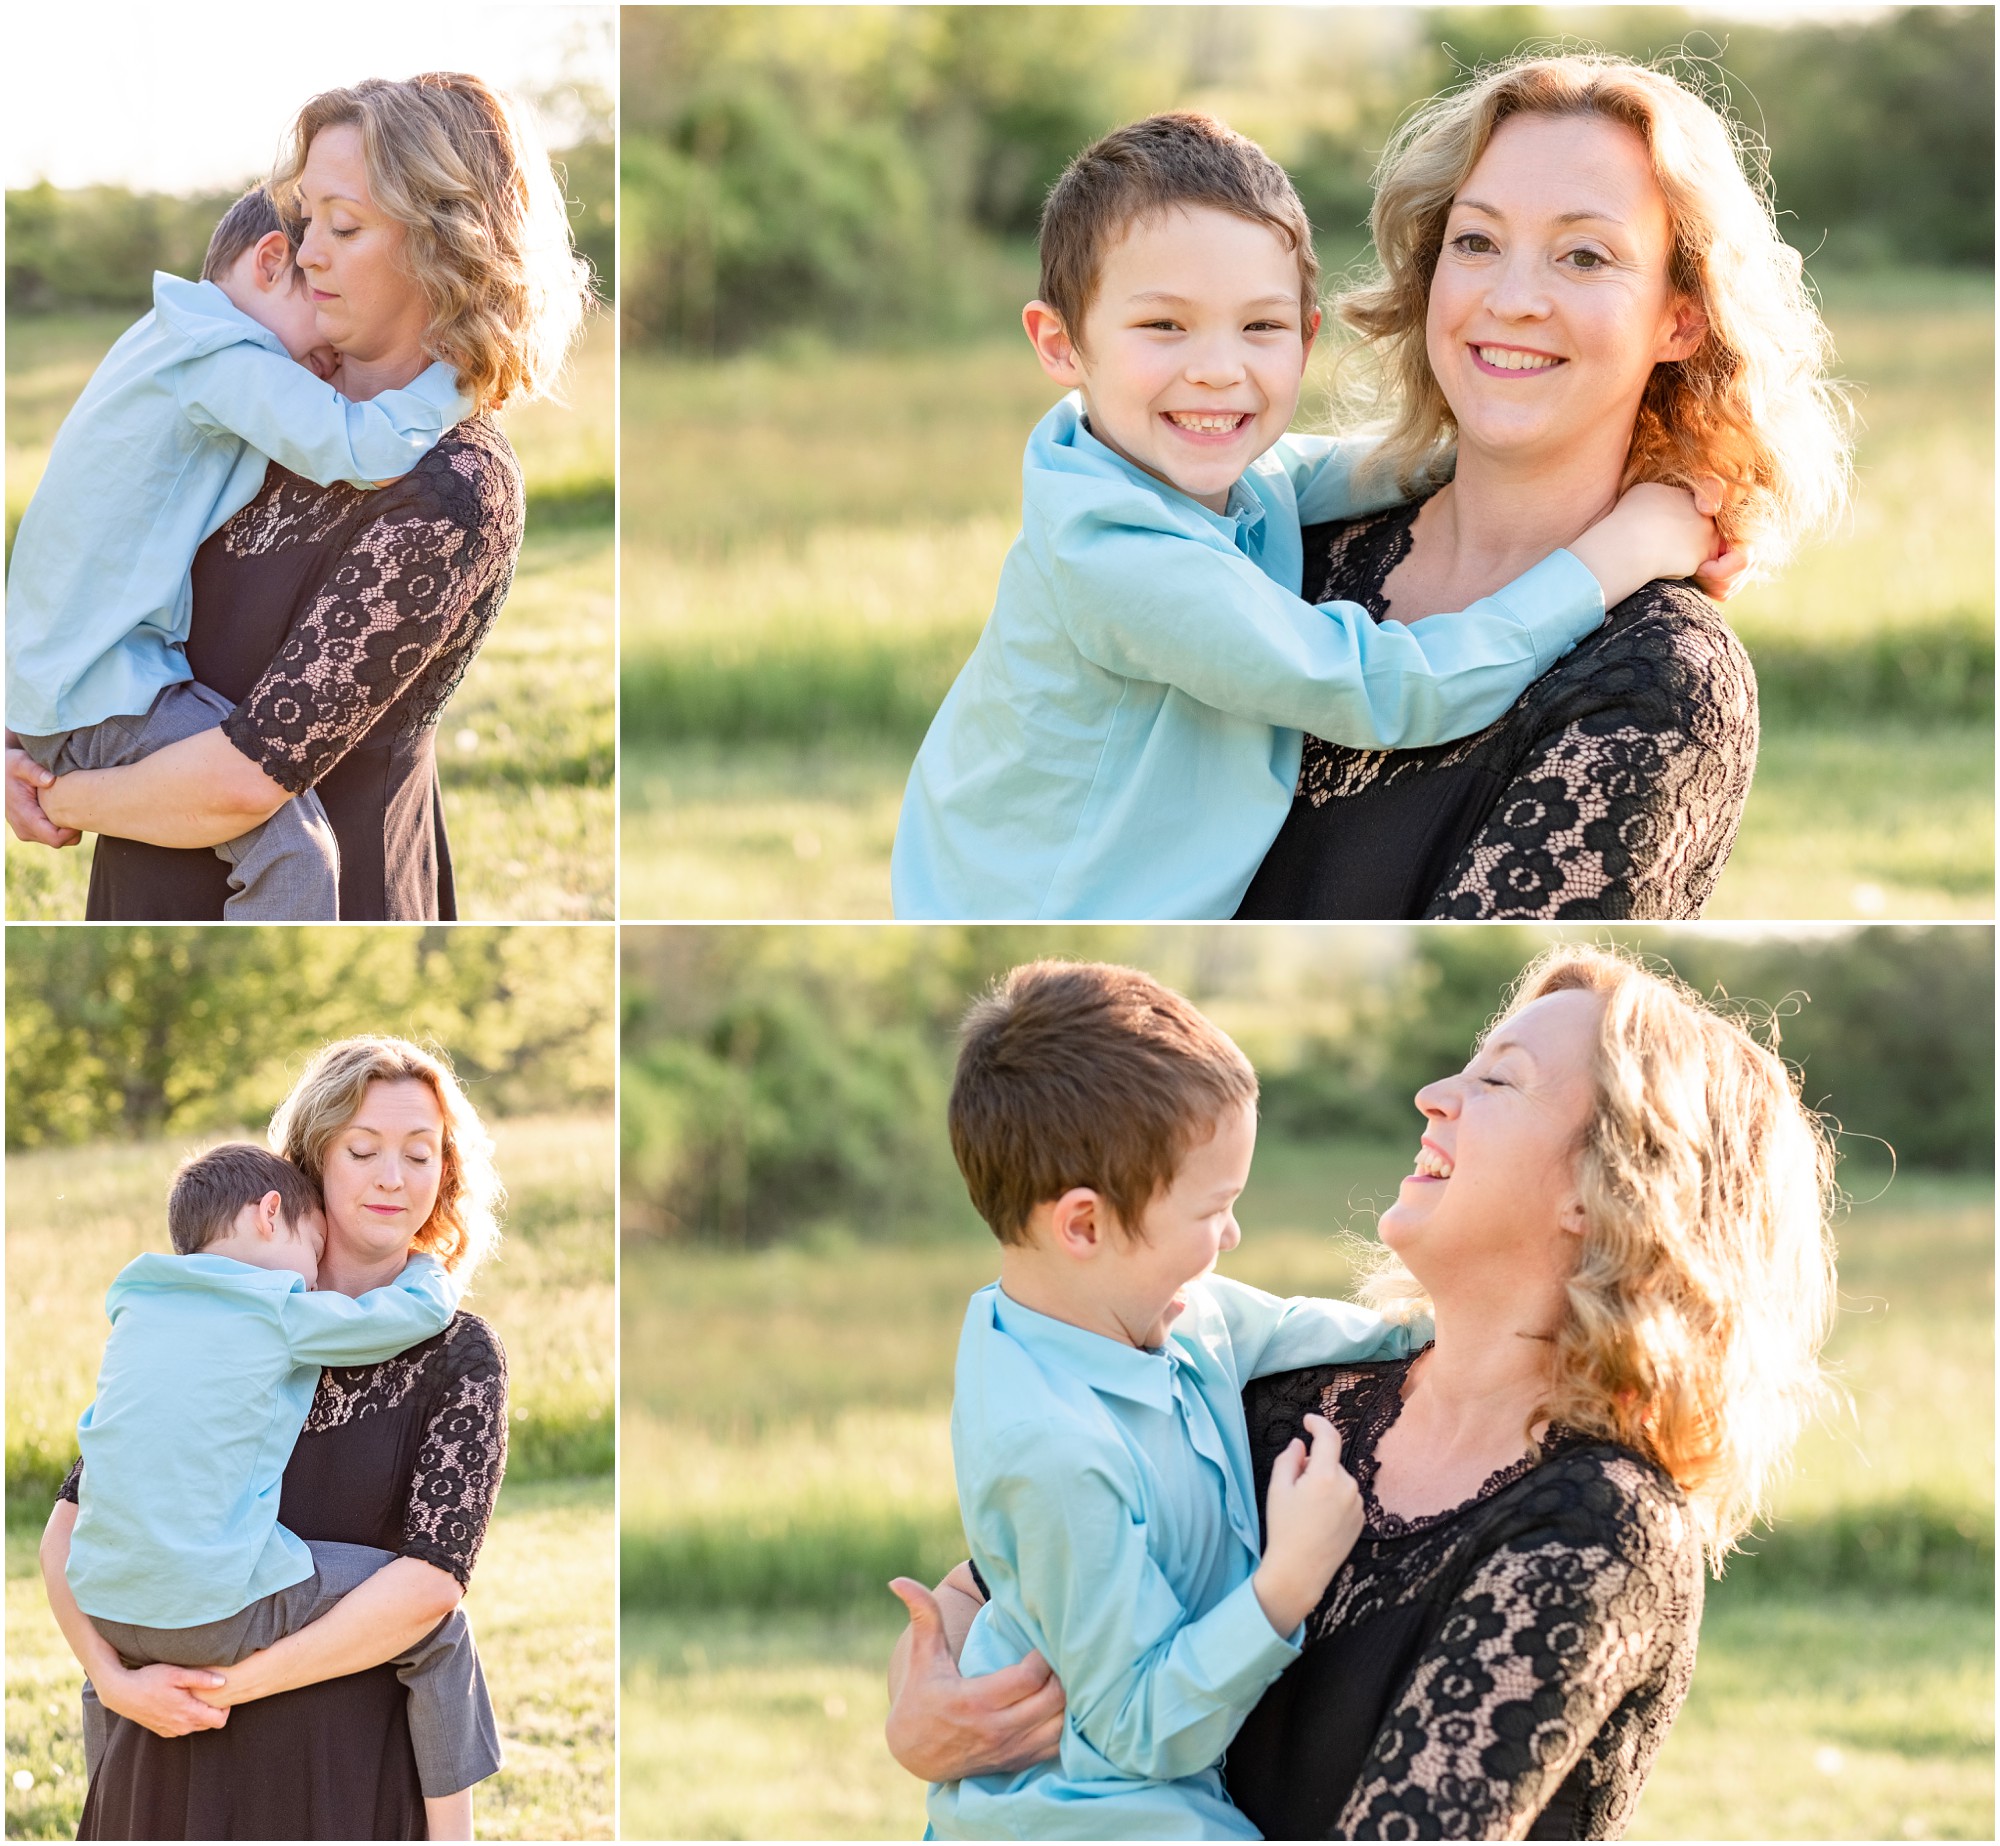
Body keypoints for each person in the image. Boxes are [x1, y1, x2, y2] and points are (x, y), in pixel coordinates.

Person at [887, 944, 1838, 1838]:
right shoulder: (1293, 1394)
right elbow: (1039, 1555)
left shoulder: (1595, 1531)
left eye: (1497, 1080)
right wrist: (937, 1700)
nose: (1432, 1095)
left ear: (1608, 1187)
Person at [890, 111, 1732, 921]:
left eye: (1260, 325)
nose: (1219, 370)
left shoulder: (1171, 472)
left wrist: (1625, 460)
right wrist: (1623, 548)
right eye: (1163, 325)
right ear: (1059, 343)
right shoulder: (1118, 554)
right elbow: (1387, 688)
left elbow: (1326, 466)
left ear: (1305, 336)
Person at [1236, 54, 1851, 918]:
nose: (1513, 298)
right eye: (1477, 241)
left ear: (1680, 319)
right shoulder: (1273, 550)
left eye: (1585, 256)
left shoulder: (1662, 679)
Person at [5, 73, 594, 920]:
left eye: (343, 225)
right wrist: (22, 727)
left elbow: (245, 782)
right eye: (306, 216)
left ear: (447, 245)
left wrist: (52, 793)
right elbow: (91, 562)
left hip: (323, 895)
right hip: (154, 891)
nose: (308, 248)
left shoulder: (454, 488)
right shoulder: (255, 403)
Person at [925, 960, 1430, 1838]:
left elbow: (1293, 1328)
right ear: (1083, 1224)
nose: (1233, 1237)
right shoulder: (1050, 1447)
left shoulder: (1172, 1309)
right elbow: (1139, 1724)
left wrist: (1434, 1323)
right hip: (1089, 1812)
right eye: (1213, 1210)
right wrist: (1289, 1579)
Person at [40, 1037, 512, 1841]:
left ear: (447, 1176)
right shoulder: (216, 1321)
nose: (393, 1177)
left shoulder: (459, 1355)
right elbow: (73, 1528)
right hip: (167, 1763)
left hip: (343, 1778)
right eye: (362, 1150)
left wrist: (227, 1685)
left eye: (420, 1154)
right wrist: (109, 1680)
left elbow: (432, 1588)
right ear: (309, 1163)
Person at [4, 185, 470, 918]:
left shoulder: (159, 336)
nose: (323, 365)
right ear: (271, 260)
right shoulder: (222, 357)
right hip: (105, 694)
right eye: (319, 340)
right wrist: (465, 370)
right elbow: (360, 448)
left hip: (59, 681)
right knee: (297, 855)